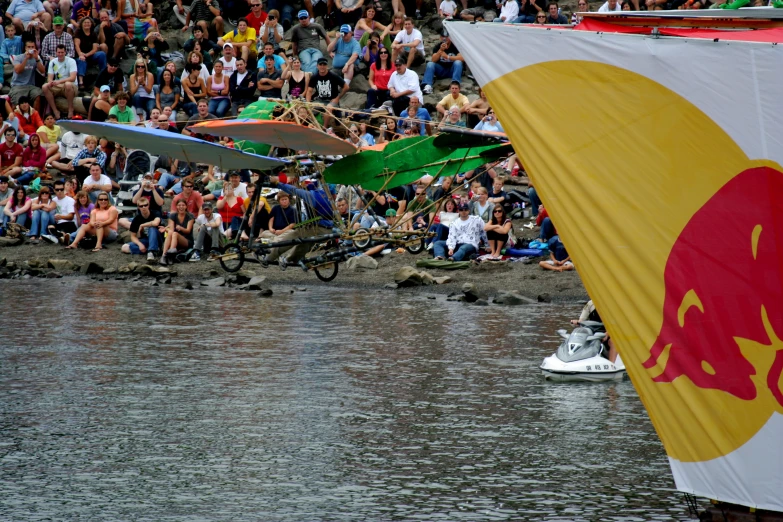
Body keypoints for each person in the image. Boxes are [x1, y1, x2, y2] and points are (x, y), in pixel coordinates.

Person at [263, 174, 334, 268]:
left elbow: (293, 190)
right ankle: (292, 259)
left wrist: (277, 182)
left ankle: (269, 258)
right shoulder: (326, 194)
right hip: (328, 229)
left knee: (292, 236)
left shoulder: (310, 195)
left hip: (319, 228)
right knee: (306, 240)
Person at [305, 57, 347, 127]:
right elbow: (309, 91)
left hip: (332, 100)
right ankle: (310, 126)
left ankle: (324, 128)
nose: (322, 66)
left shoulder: (333, 76)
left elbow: (346, 87)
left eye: (324, 64)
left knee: (329, 108)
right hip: (319, 100)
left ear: (327, 66)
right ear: (317, 66)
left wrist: (338, 98)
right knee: (307, 110)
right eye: (320, 64)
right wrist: (308, 104)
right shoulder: (314, 77)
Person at [42, 44, 77, 119]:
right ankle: (55, 111)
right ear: (56, 52)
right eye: (59, 52)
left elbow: (73, 78)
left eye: (62, 52)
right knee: (45, 86)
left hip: (70, 85)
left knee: (67, 84)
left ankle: (70, 109)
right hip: (58, 85)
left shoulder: (71, 61)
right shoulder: (52, 62)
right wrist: (51, 82)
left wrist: (59, 81)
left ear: (65, 52)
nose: (60, 54)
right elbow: (49, 78)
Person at [10, 40, 45, 109]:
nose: (31, 49)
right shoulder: (18, 58)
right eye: (29, 47)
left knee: (38, 95)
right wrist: (26, 59)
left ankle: (35, 117)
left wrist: (37, 59)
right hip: (18, 85)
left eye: (32, 47)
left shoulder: (36, 58)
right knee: (17, 99)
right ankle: (14, 118)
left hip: (30, 85)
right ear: (25, 48)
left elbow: (43, 71)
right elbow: (18, 70)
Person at [159, 198, 194, 265]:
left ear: (186, 206)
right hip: (174, 239)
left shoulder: (190, 216)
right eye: (179, 205)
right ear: (176, 206)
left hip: (187, 240)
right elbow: (171, 230)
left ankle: (171, 256)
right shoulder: (173, 215)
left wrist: (181, 228)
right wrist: (166, 229)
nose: (181, 207)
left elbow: (188, 231)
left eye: (183, 205)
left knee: (175, 234)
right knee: (171, 233)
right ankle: (164, 256)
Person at [74, 16, 105, 90]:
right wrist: (81, 54)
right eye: (85, 22)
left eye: (88, 22)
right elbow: (76, 45)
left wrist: (86, 55)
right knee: (81, 60)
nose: (86, 24)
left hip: (90, 55)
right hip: (79, 55)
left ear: (91, 24)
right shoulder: (78, 32)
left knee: (102, 54)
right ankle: (81, 81)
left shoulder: (93, 34)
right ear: (82, 24)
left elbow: (95, 49)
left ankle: (103, 74)